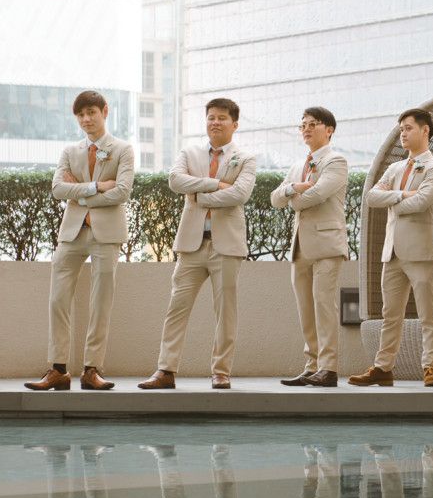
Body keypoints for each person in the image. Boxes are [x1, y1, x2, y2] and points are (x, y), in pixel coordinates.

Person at [138, 98, 257, 389]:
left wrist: (199, 196)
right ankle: (165, 370)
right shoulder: (189, 153)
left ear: (234, 124)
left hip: (226, 246)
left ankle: (221, 371)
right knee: (176, 307)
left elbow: (239, 194)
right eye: (211, 117)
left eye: (222, 118)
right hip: (191, 245)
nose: (215, 122)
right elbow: (175, 181)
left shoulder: (246, 159)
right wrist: (214, 184)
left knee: (225, 311)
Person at [24, 91, 134, 391]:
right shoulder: (70, 151)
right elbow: (58, 189)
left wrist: (81, 194)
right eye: (81, 115)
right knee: (58, 299)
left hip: (107, 235)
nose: (86, 119)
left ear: (104, 112)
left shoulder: (123, 149)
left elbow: (122, 192)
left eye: (91, 113)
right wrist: (97, 186)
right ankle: (58, 369)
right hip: (71, 234)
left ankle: (92, 369)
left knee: (101, 302)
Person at [349, 108, 433, 388]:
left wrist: (392, 201)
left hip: (421, 251)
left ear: (425, 130)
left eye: (408, 128)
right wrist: (403, 194)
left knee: (428, 313)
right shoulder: (394, 168)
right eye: (401, 129)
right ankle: (383, 368)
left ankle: (431, 367)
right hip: (391, 252)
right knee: (389, 314)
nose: (402, 134)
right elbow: (371, 197)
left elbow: (423, 202)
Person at [273, 106, 350, 388]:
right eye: (302, 124)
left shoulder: (336, 160)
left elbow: (318, 194)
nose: (306, 129)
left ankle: (328, 368)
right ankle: (312, 366)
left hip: (327, 244)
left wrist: (292, 198)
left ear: (329, 130)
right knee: (306, 308)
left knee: (323, 305)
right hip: (300, 246)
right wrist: (293, 188)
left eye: (312, 124)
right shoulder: (298, 165)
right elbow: (275, 198)